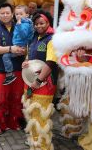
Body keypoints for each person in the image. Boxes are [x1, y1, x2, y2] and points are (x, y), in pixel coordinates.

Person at [21, 10, 58, 150]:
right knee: (31, 113)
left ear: (48, 22)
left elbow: (50, 63)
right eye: (36, 24)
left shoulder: (52, 39)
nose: (38, 26)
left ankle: (42, 145)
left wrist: (38, 81)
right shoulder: (34, 38)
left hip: (45, 84)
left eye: (41, 23)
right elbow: (29, 57)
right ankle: (34, 139)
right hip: (30, 81)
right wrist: (25, 62)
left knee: (41, 115)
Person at [0, 2, 26, 135]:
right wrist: (11, 49)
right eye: (2, 13)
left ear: (12, 14)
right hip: (1, 71)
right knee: (0, 99)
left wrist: (24, 50)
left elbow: (27, 42)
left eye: (7, 13)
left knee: (17, 97)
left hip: (18, 69)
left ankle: (14, 121)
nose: (5, 15)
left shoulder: (20, 28)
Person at [2, 5, 34, 85]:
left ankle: (9, 74)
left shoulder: (24, 24)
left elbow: (24, 35)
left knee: (5, 56)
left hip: (20, 47)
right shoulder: (23, 23)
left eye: (20, 14)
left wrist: (19, 25)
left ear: (26, 15)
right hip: (19, 46)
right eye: (16, 14)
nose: (18, 16)